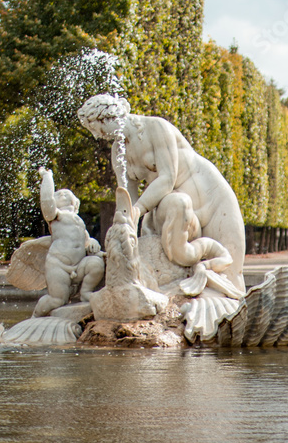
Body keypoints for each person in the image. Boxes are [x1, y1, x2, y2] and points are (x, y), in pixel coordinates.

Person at [77, 94, 245, 291]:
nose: (98, 135)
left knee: (232, 273)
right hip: (176, 206)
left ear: (108, 118)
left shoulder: (156, 127)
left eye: (97, 129)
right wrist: (125, 229)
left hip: (212, 197)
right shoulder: (118, 152)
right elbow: (127, 197)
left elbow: (167, 178)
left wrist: (138, 210)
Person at [33, 168, 104, 317]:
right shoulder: (56, 216)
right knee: (57, 300)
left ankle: (85, 292)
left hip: (79, 266)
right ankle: (35, 317)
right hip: (59, 265)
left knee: (96, 263)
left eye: (67, 193)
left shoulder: (79, 220)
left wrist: (92, 241)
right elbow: (46, 203)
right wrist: (47, 177)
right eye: (58, 194)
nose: (63, 193)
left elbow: (85, 239)